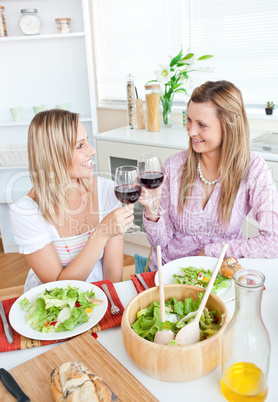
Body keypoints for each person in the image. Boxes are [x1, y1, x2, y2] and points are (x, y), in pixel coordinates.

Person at [139, 80, 278, 271]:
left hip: (219, 274)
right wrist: (152, 211)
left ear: (229, 126)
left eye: (202, 124)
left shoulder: (253, 168)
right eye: (188, 120)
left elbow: (274, 240)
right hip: (170, 272)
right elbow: (160, 242)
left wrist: (212, 251)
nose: (191, 131)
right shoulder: (174, 165)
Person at [10, 109, 134, 291]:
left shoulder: (107, 190)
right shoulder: (25, 212)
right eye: (80, 145)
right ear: (54, 156)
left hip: (99, 291)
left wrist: (109, 306)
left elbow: (112, 276)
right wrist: (101, 232)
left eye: (87, 140)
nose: (92, 150)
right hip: (53, 302)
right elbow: (59, 288)